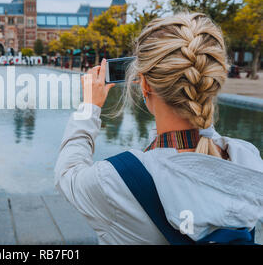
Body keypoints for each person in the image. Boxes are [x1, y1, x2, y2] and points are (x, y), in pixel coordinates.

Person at [55, 13, 263, 245]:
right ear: (211, 79)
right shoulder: (247, 159)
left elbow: (67, 174)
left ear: (144, 84)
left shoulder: (115, 181)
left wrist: (89, 107)